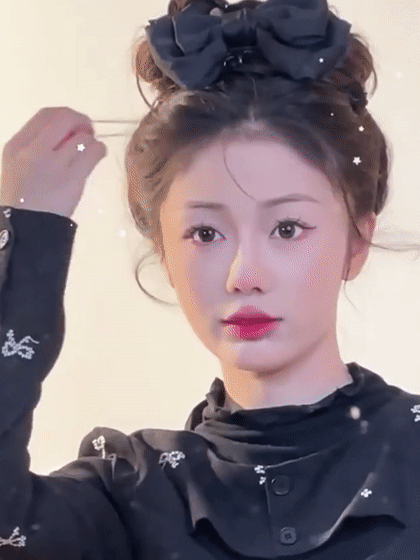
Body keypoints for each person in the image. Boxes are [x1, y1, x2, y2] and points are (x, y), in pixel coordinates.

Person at [0, 0, 419, 558]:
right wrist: (25, 238)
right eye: (205, 233)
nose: (245, 276)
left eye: (288, 228)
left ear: (357, 242)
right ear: (164, 253)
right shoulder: (127, 495)